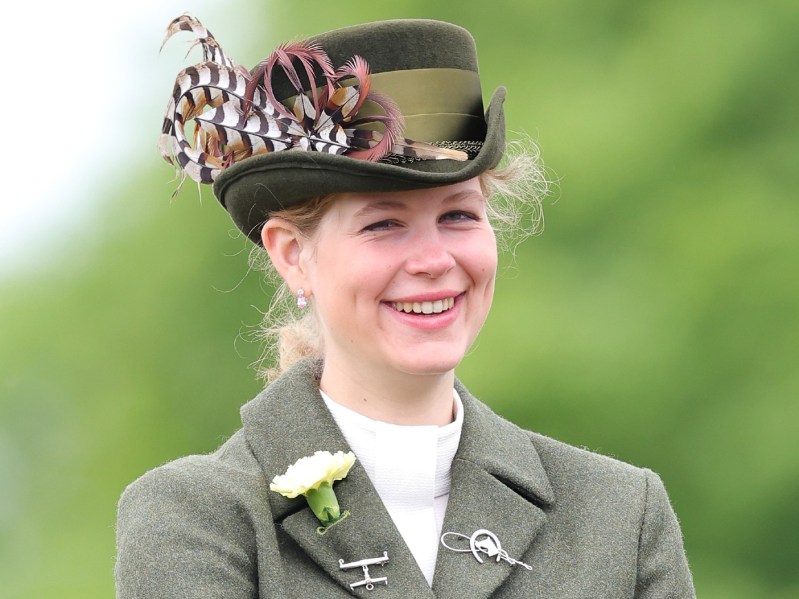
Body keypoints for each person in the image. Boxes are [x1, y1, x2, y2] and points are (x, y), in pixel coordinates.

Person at [115, 14, 695, 598]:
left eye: (459, 215)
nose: (433, 259)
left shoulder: (619, 516)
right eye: (384, 224)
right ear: (292, 255)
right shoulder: (199, 519)